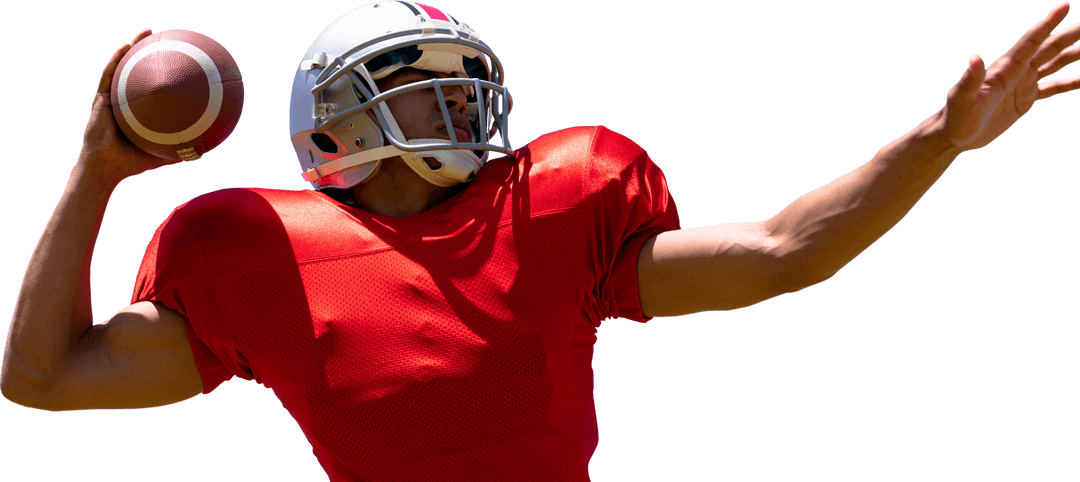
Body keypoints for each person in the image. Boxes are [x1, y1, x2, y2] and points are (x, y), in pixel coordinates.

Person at [2, 1, 1078, 480]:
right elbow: (43, 375)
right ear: (335, 127)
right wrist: (98, 173)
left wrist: (941, 140)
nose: (462, 110)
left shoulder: (555, 206)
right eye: (427, 94)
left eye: (467, 86)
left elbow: (787, 249)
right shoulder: (258, 250)